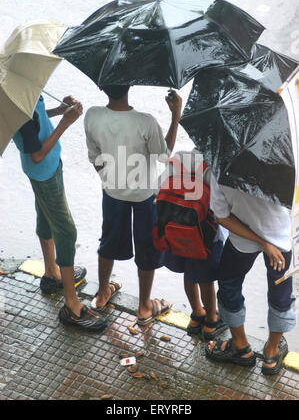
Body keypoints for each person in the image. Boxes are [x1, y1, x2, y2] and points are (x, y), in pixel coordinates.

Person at [84, 85, 182, 324]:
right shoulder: (145, 122)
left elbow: (95, 157)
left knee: (108, 240)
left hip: (112, 192)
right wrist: (175, 115)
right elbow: (163, 155)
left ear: (101, 85)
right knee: (147, 247)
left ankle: (102, 293)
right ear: (129, 85)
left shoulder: (92, 115)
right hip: (143, 197)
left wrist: (110, 178)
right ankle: (144, 306)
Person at [13, 94, 106, 331]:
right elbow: (36, 153)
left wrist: (58, 110)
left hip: (46, 168)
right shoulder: (18, 105)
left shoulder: (23, 92)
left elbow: (38, 120)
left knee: (45, 215)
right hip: (43, 171)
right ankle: (72, 305)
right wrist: (66, 122)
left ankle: (52, 273)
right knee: (66, 230)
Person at [205, 173, 296, 375]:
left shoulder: (222, 167)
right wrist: (267, 242)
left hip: (241, 241)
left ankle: (241, 347)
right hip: (281, 241)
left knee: (229, 283)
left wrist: (261, 242)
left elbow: (222, 216)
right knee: (281, 294)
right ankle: (271, 355)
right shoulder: (289, 162)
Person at [157, 149, 228, 339]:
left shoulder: (178, 158)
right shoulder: (213, 167)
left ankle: (196, 313)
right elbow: (219, 204)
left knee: (189, 274)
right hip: (203, 235)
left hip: (174, 231)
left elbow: (158, 189)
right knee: (206, 279)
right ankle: (212, 320)